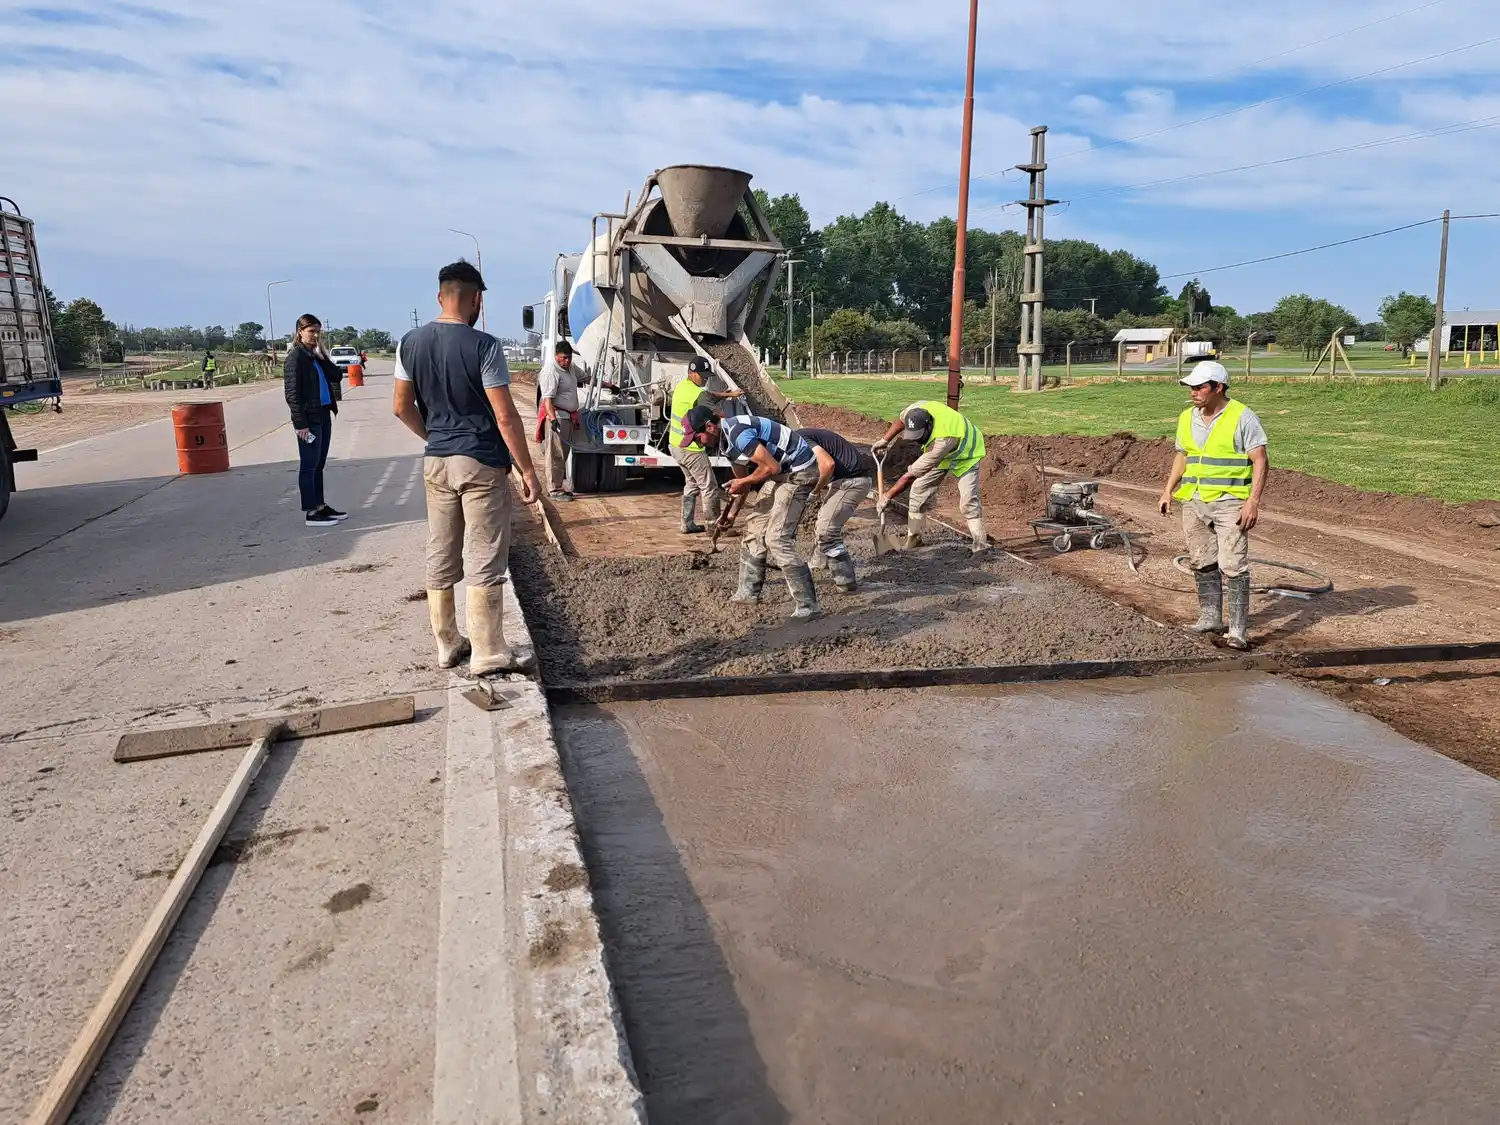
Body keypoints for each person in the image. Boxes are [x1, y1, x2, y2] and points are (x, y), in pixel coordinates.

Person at [392, 260, 541, 674]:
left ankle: (447, 643)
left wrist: (434, 438)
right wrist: (528, 470)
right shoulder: (484, 346)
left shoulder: (409, 343)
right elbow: (505, 416)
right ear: (476, 299)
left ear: (440, 296)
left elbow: (401, 407)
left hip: (437, 462)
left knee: (441, 550)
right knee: (485, 553)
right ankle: (488, 651)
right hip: (480, 463)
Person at [682, 404, 833, 619]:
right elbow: (743, 484)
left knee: (777, 538)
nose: (698, 444)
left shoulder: (738, 433)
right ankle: (748, 593)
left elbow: (771, 468)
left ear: (709, 427)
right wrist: (731, 515)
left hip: (800, 472)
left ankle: (808, 606)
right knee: (753, 529)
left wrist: (743, 481)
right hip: (780, 473)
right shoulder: (725, 443)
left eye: (697, 438)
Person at [1157, 361, 1268, 650]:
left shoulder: (1242, 417)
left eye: (1199, 387)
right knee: (1201, 561)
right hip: (1194, 499)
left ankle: (1237, 630)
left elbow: (1260, 459)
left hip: (1230, 501)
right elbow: (1183, 456)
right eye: (1191, 387)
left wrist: (1253, 501)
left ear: (1218, 387)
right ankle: (1210, 619)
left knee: (1233, 566)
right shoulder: (1186, 417)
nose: (1193, 392)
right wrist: (1168, 490)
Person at [872, 400, 988, 553]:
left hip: (966, 455)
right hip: (942, 454)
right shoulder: (915, 410)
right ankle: (914, 538)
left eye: (919, 436)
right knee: (918, 491)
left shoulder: (943, 440)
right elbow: (901, 420)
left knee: (968, 502)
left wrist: (888, 496)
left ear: (928, 426)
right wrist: (885, 440)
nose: (916, 440)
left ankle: (980, 546)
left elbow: (910, 476)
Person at [668, 356, 745, 534]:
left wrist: (727, 394)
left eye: (706, 376)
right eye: (701, 376)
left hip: (675, 446)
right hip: (691, 450)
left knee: (692, 484)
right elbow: (718, 414)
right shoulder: (699, 394)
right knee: (709, 487)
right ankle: (715, 527)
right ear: (691, 373)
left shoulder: (683, 387)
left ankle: (687, 523)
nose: (704, 379)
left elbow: (709, 395)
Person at [283, 314, 346, 528]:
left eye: (318, 331)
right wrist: (300, 424)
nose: (316, 335)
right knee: (309, 465)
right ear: (300, 332)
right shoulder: (296, 358)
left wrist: (323, 357)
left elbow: (336, 376)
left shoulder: (314, 355)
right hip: (309, 419)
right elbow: (292, 395)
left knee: (319, 464)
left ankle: (320, 505)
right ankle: (311, 511)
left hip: (323, 414)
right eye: (311, 331)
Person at [797, 427, 875, 592]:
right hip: (847, 479)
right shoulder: (803, 436)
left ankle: (846, 580)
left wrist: (815, 492)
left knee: (827, 531)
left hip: (851, 482)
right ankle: (817, 566)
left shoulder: (800, 438)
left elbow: (828, 464)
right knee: (823, 523)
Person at [537, 340, 583, 501]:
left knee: (563, 453)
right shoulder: (551, 372)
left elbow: (586, 377)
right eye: (564, 358)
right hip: (557, 416)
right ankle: (554, 489)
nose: (567, 361)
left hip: (568, 416)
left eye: (569, 357)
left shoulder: (571, 368)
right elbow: (547, 400)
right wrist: (552, 419)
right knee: (555, 454)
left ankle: (559, 486)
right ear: (556, 356)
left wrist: (608, 385)